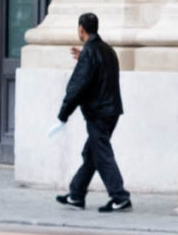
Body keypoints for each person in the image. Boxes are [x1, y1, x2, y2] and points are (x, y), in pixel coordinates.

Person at [54, 12, 131, 213]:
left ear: (81, 29)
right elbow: (101, 71)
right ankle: (76, 195)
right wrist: (84, 57)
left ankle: (119, 197)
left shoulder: (91, 53)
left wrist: (63, 114)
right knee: (92, 153)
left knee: (102, 154)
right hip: (112, 110)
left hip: (98, 112)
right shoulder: (106, 50)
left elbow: (77, 86)